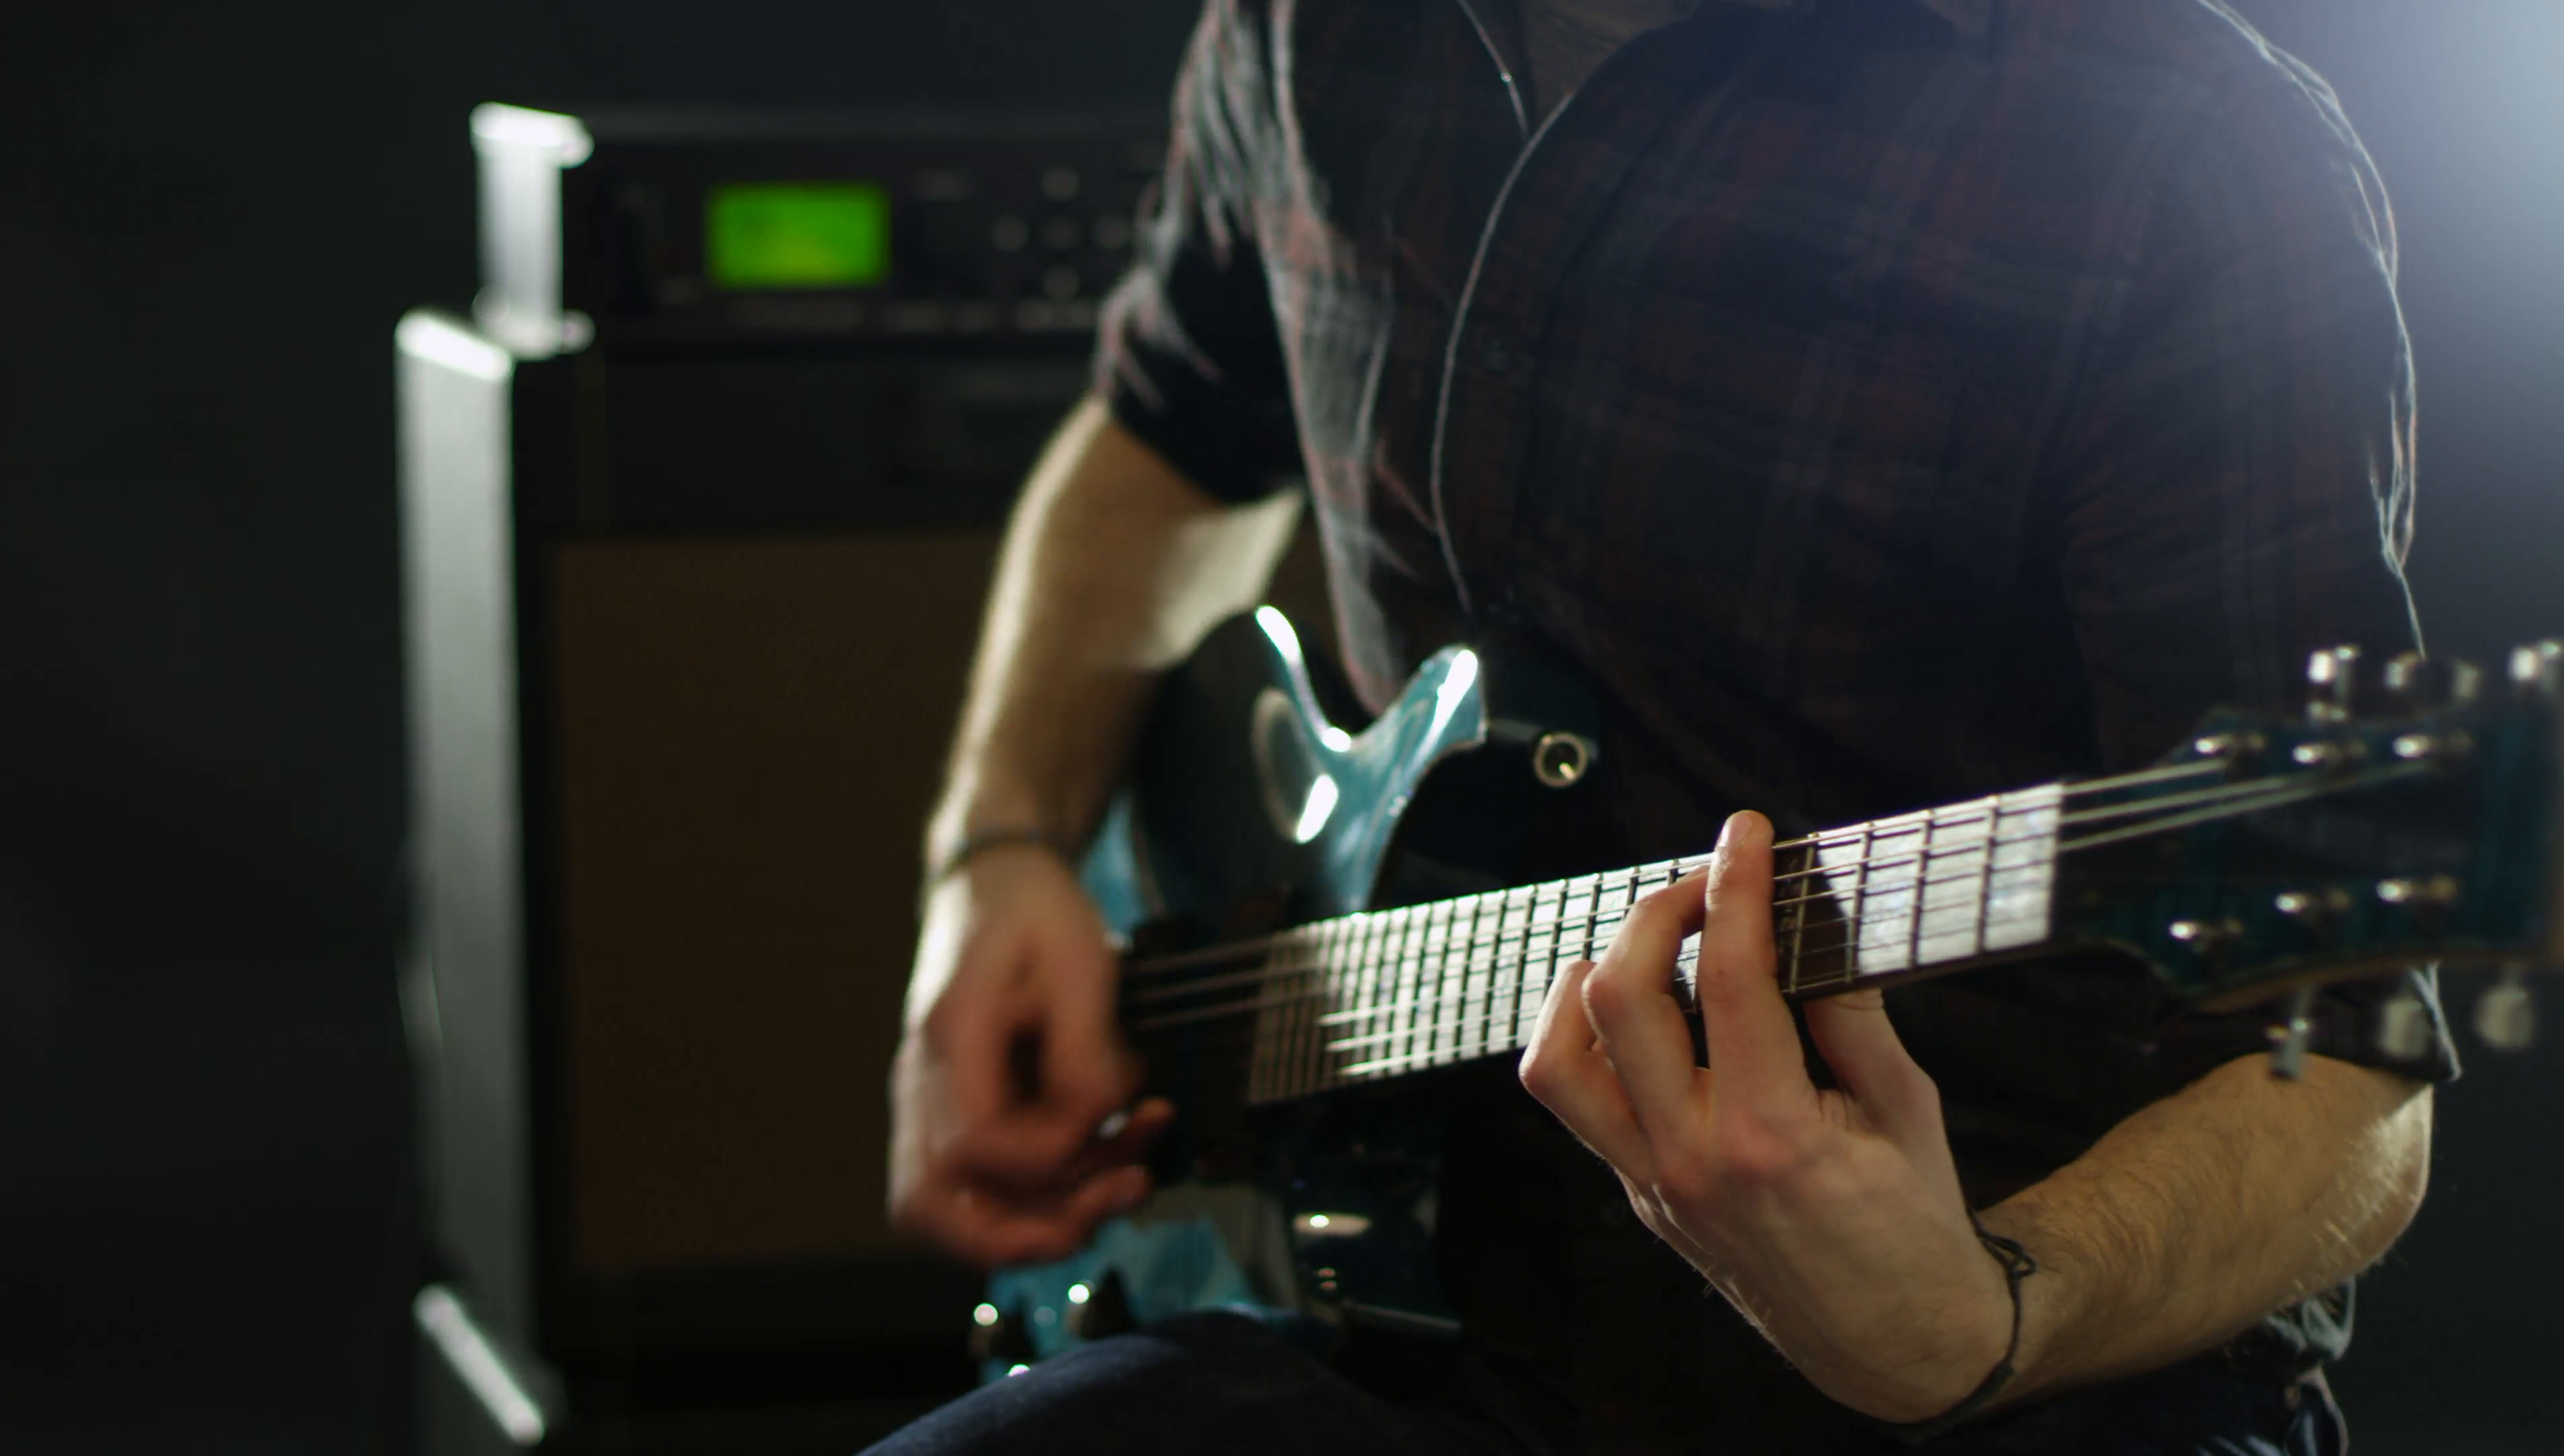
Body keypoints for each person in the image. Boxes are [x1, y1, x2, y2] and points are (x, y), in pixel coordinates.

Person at [875, 1, 2459, 1450]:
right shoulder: (1304, 26)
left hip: (2010, 1364)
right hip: (1404, 1313)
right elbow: (1165, 435)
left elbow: (2342, 1068)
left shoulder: (2181, 151)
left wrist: (1984, 1315)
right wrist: (996, 843)